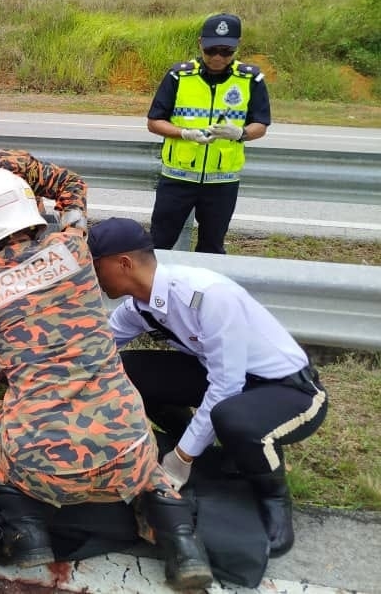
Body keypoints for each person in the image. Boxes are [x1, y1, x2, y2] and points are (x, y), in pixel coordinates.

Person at [0, 168, 212, 591]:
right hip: (127, 451)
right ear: (29, 211)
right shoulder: (76, 248)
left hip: (42, 466)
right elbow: (73, 189)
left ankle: (25, 526)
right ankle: (182, 541)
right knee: (137, 435)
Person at [88, 217, 328, 557]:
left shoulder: (205, 296)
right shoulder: (137, 307)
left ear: (123, 263)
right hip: (230, 382)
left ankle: (273, 499)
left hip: (290, 391)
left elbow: (226, 386)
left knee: (231, 417)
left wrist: (181, 458)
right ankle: (194, 442)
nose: (92, 278)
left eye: (95, 267)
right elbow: (97, 350)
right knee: (127, 370)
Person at [146, 13, 271, 253]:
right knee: (158, 243)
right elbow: (154, 121)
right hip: (178, 178)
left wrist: (240, 133)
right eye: (211, 50)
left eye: (226, 52)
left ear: (237, 47)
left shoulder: (250, 79)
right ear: (200, 43)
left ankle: (204, 291)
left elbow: (261, 125)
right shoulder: (179, 75)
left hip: (221, 182)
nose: (217, 58)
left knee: (212, 247)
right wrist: (184, 133)